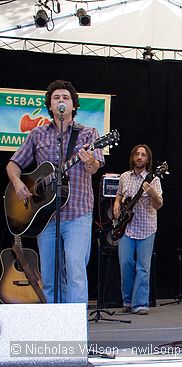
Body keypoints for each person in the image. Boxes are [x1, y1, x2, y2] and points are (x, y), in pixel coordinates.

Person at [6, 79, 104, 303]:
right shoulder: (38, 134)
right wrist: (18, 183)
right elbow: (13, 164)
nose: (61, 101)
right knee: (49, 278)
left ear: (74, 105)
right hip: (45, 218)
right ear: (50, 105)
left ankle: (75, 333)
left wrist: (90, 161)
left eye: (66, 98)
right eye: (56, 98)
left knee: (76, 273)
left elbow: (94, 167)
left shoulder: (88, 134)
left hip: (78, 214)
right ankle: (53, 330)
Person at [113, 144, 163, 315]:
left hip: (147, 227)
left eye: (143, 155)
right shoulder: (124, 177)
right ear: (133, 157)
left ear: (148, 159)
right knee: (126, 263)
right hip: (127, 227)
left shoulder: (154, 180)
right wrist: (116, 204)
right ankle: (127, 300)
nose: (140, 157)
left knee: (143, 267)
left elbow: (158, 205)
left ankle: (140, 303)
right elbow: (119, 195)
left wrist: (152, 194)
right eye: (137, 154)